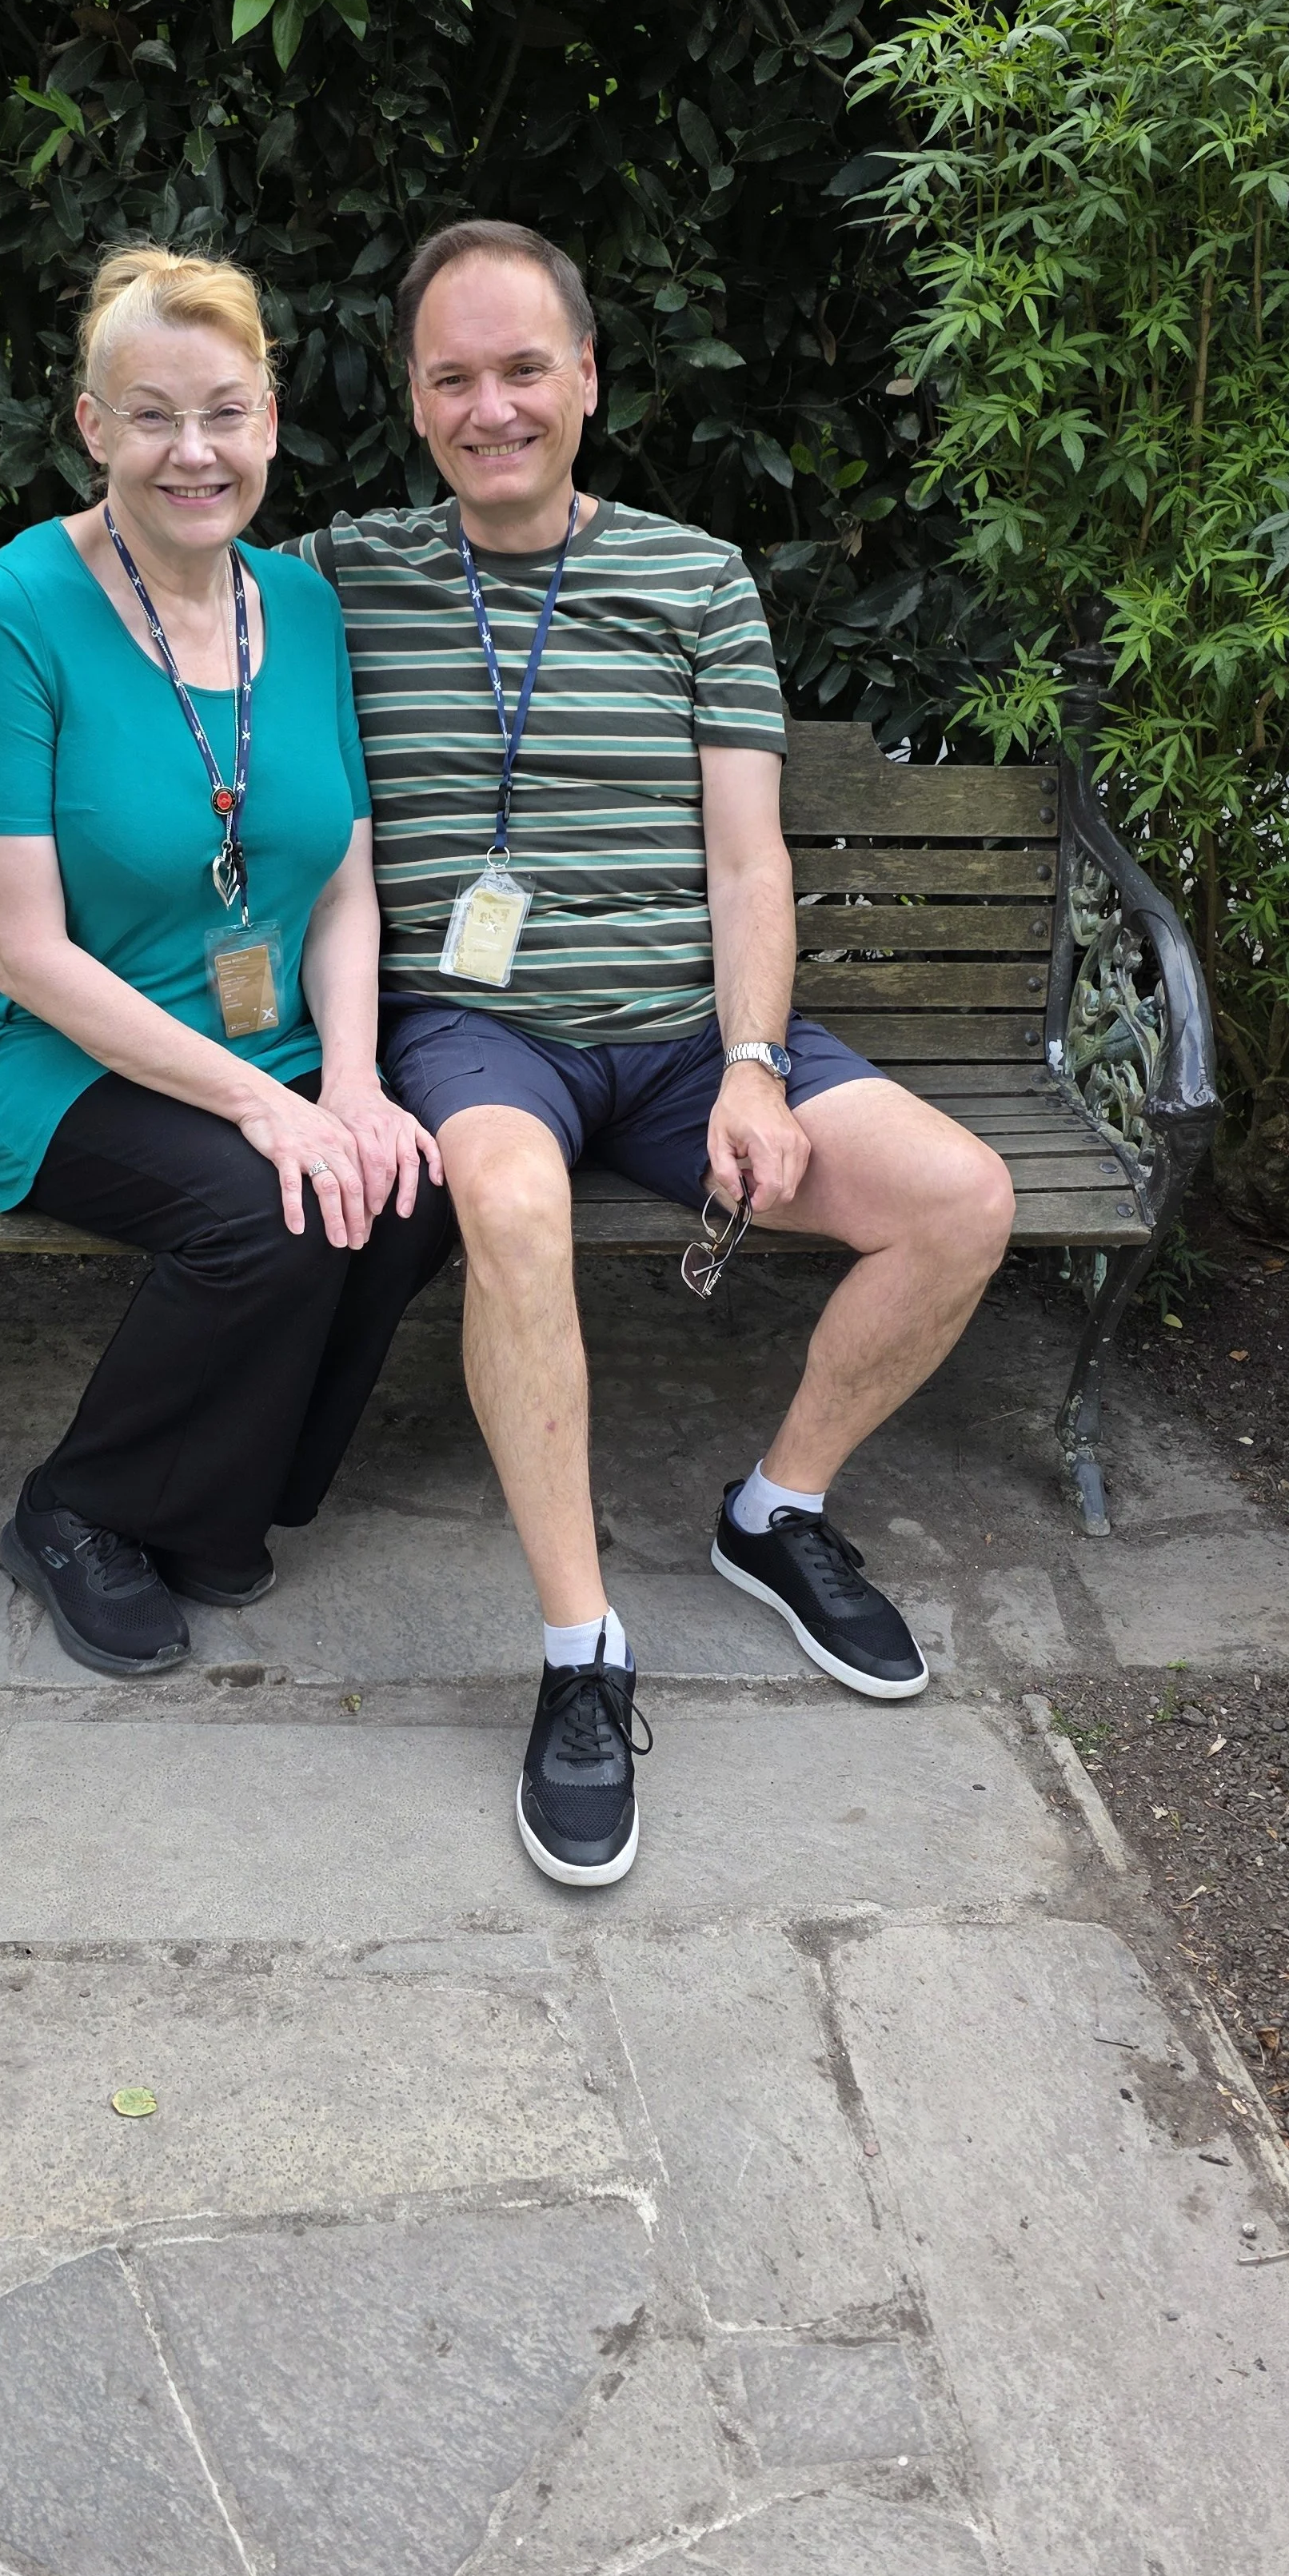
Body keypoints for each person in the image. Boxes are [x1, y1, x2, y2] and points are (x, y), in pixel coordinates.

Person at [288, 218, 1016, 1888]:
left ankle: (774, 1508)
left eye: (523, 367)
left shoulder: (696, 578)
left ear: (588, 378)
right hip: (476, 1031)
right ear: (412, 401)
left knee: (960, 1198)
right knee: (513, 1211)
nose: (492, 407)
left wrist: (756, 1061)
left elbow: (748, 860)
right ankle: (579, 1652)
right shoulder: (336, 572)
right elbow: (154, 575)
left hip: (691, 1034)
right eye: (453, 376)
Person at [0, 245, 453, 1677]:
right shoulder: (14, 606)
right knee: (266, 1210)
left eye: (223, 411)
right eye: (150, 415)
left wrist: (348, 1077)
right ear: (94, 429)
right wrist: (268, 1108)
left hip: (252, 1032)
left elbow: (342, 879)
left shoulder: (305, 605)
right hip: (34, 1044)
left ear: (271, 417)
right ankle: (78, 1507)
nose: (192, 452)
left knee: (400, 1187)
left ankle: (224, 1502)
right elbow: (25, 956)